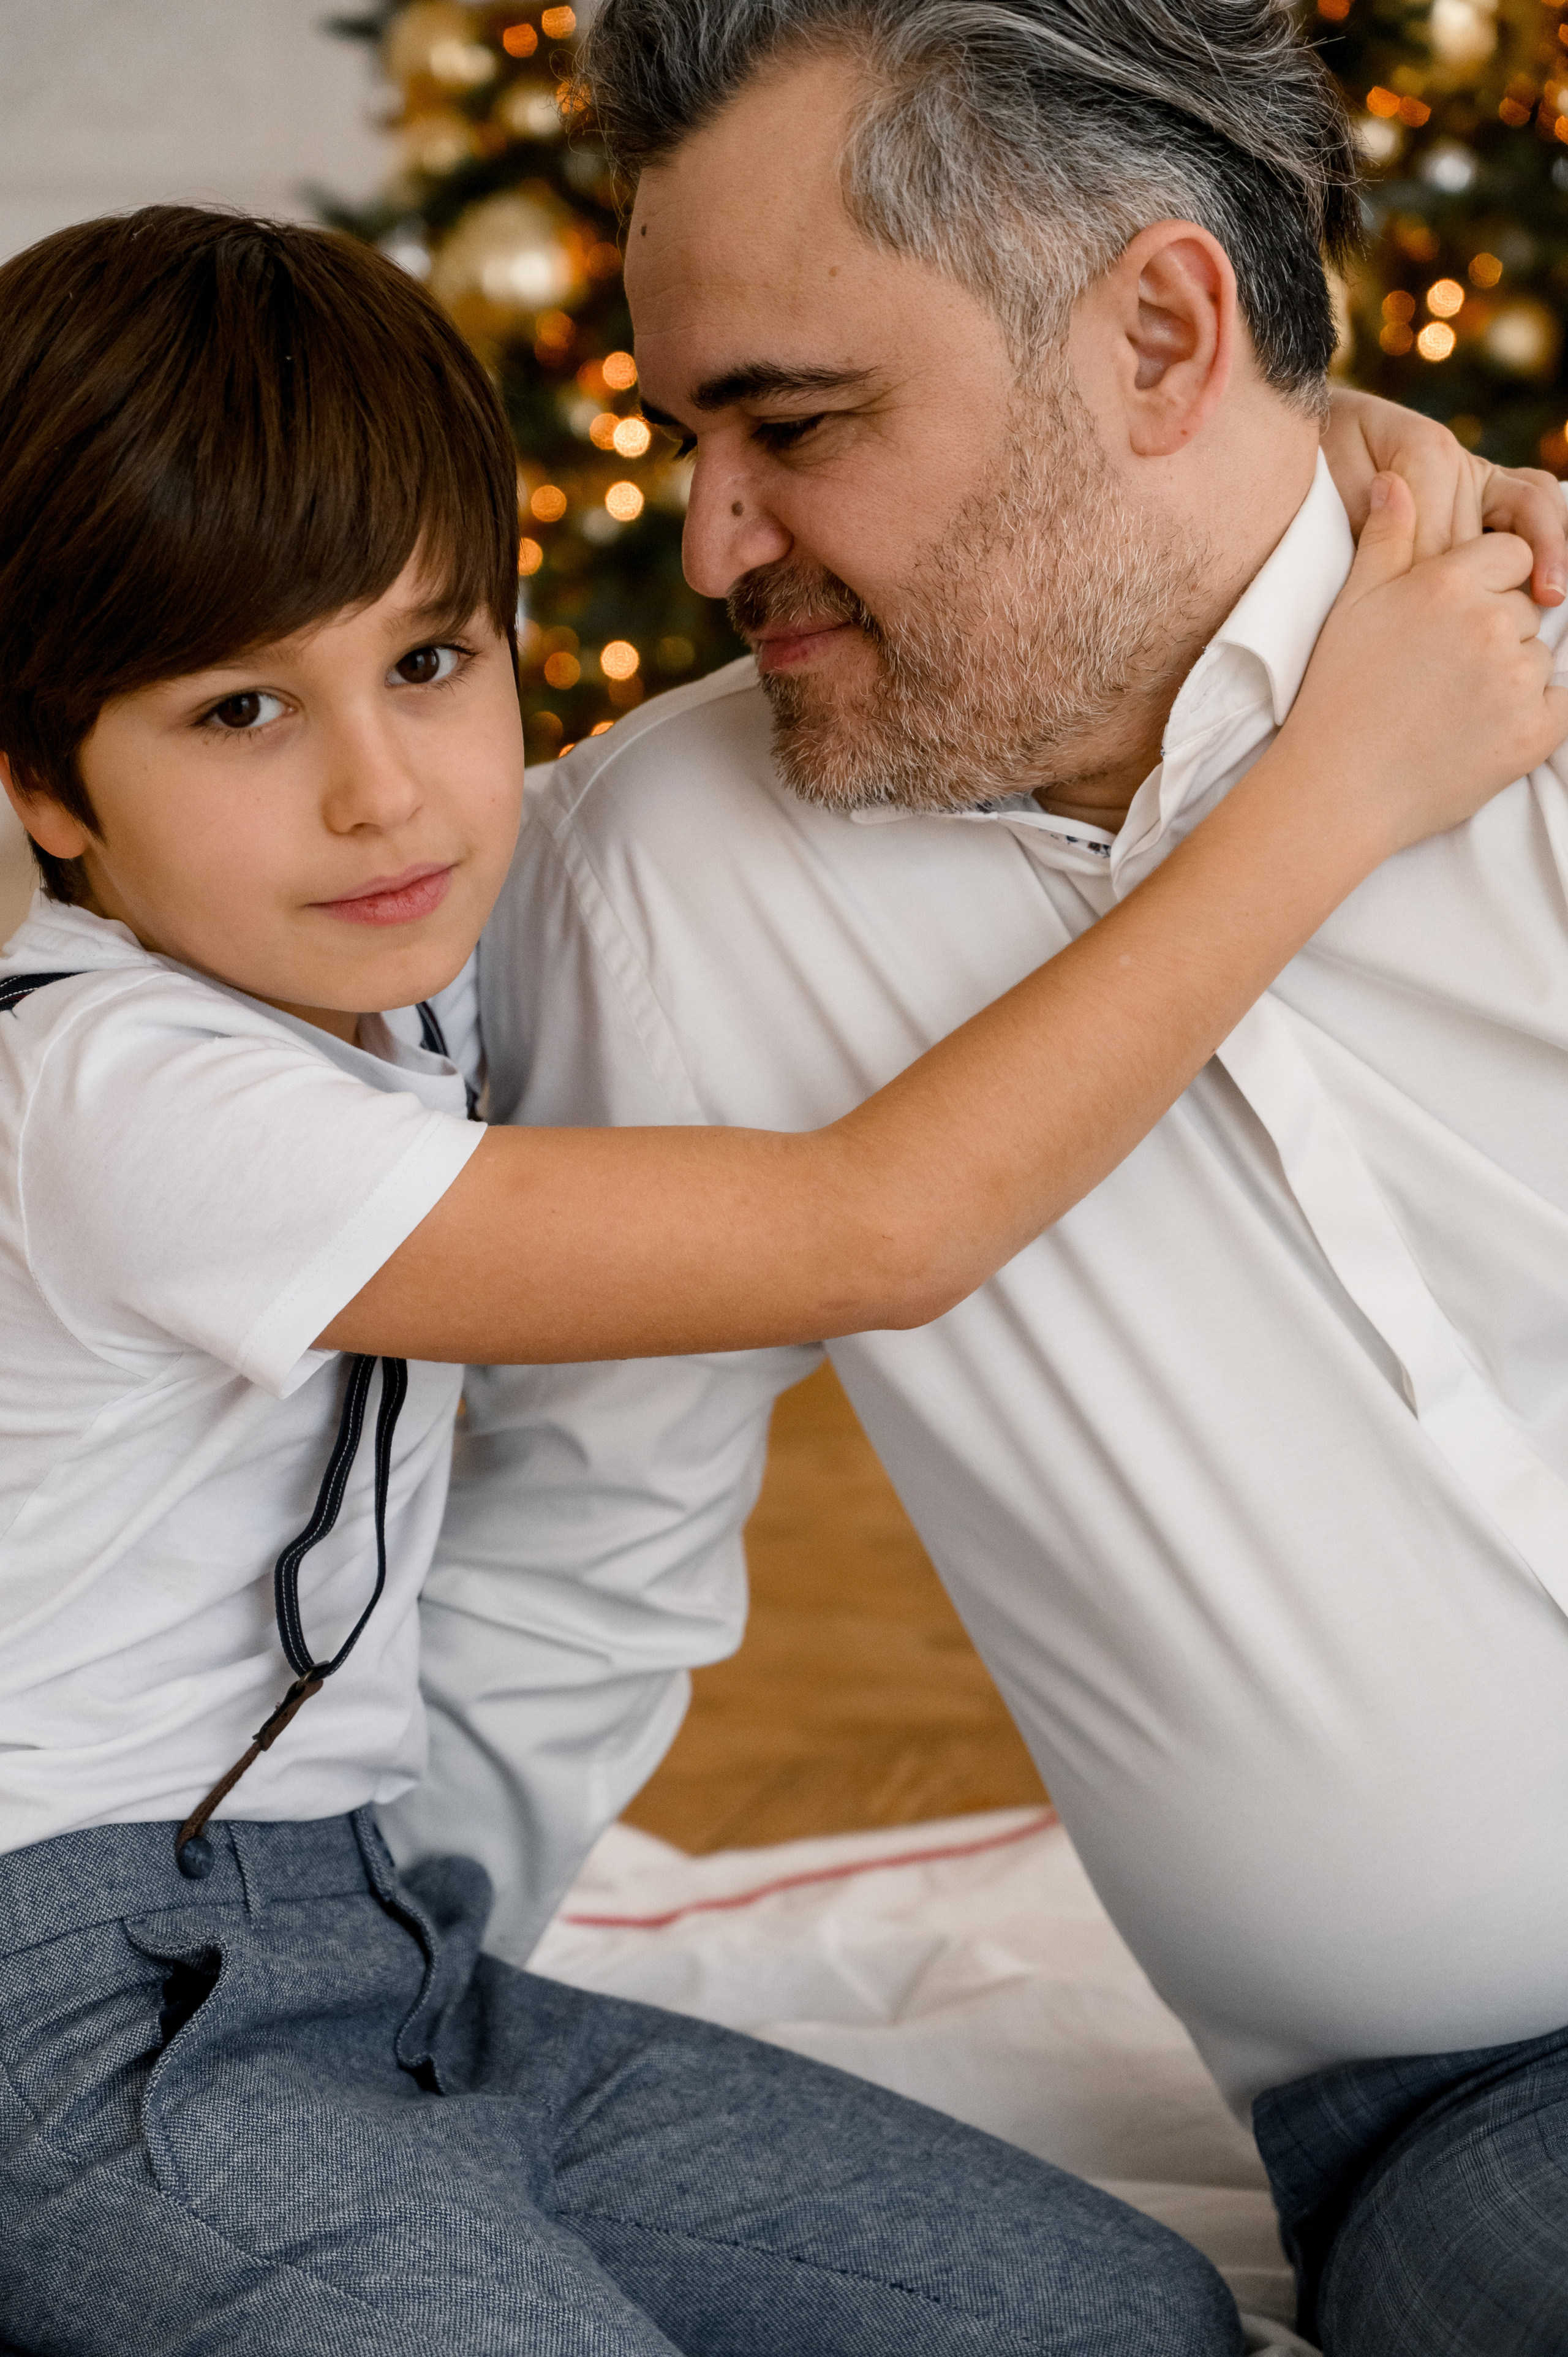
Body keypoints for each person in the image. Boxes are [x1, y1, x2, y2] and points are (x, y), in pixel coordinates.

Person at [3, 205, 1544, 2357]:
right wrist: (1338, 786)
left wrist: (1335, 460)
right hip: (70, 2010)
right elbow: (874, 1226)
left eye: (434, 660)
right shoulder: (105, 1089)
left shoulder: (376, 964)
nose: (378, 792)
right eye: (242, 708)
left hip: (372, 1953)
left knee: (1120, 2326)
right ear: (41, 780)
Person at [388, 7, 1568, 2353]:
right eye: (687, 428)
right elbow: (564, 1580)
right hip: (1488, 2117)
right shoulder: (671, 879)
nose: (703, 531)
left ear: (1158, 332)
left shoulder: (1523, 650)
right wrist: (270, 2071)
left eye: (795, 425)